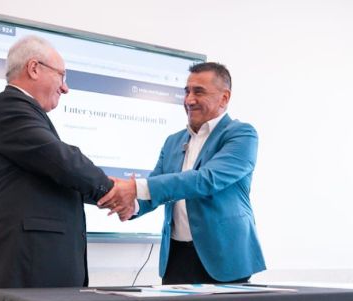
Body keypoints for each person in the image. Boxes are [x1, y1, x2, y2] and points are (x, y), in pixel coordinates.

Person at [0, 36, 116, 290]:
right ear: (34, 68)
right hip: (24, 265)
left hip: (35, 265)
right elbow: (61, 161)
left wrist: (111, 195)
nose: (65, 88)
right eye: (62, 76)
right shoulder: (8, 106)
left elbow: (55, 175)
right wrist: (112, 190)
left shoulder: (25, 111)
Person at [98, 62, 265, 284]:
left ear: (224, 98)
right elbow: (156, 186)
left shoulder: (241, 135)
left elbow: (206, 180)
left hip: (224, 258)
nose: (189, 100)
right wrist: (132, 205)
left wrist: (134, 187)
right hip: (176, 258)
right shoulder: (173, 141)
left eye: (199, 92)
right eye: (187, 92)